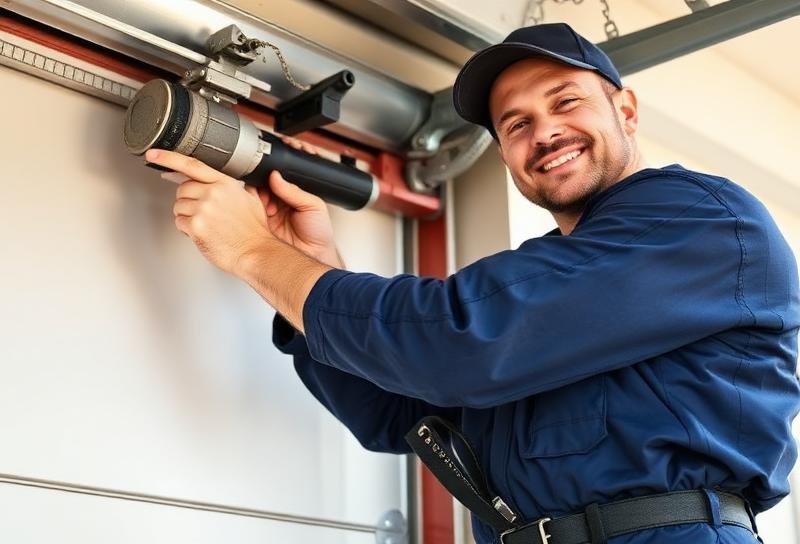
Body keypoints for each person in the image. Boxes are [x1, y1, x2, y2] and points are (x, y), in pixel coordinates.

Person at [144, 22, 799, 544]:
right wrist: (308, 263)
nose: (545, 132)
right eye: (516, 124)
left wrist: (253, 251)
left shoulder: (700, 219)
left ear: (625, 110)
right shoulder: (561, 287)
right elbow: (394, 411)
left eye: (566, 101)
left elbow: (459, 342)